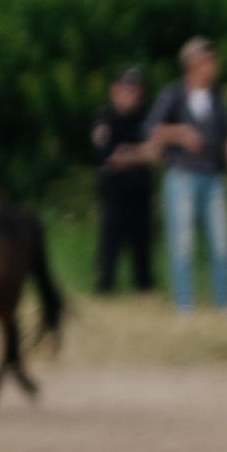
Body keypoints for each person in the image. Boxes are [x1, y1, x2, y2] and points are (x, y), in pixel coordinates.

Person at [146, 37, 227, 314]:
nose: (212, 66)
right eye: (208, 61)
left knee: (221, 242)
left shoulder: (218, 96)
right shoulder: (173, 94)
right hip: (181, 176)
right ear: (193, 65)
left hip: (213, 176)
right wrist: (180, 133)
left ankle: (224, 303)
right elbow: (151, 128)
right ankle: (184, 305)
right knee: (182, 244)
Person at [89, 66, 155, 294]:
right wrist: (137, 154)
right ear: (114, 91)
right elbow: (106, 156)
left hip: (141, 192)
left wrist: (125, 156)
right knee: (109, 245)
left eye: (136, 91)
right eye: (127, 90)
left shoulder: (146, 118)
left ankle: (144, 289)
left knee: (143, 247)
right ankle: (105, 288)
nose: (132, 95)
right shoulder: (104, 117)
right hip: (113, 193)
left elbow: (155, 154)